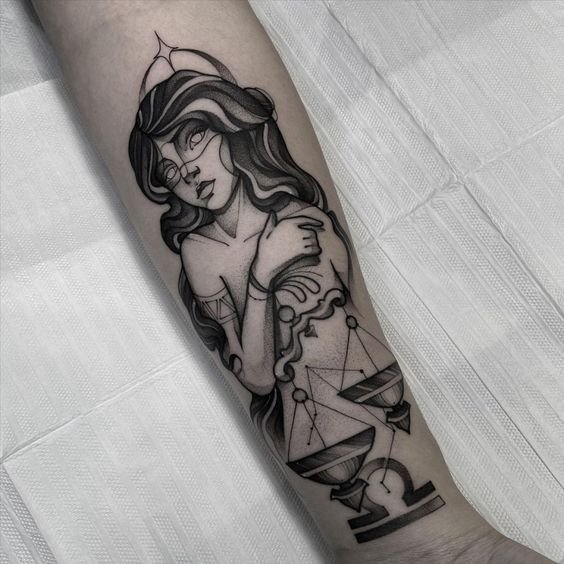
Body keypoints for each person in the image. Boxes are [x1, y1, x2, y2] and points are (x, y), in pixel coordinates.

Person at [32, 1, 553, 562]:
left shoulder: (300, 217)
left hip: (351, 413)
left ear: (227, 126)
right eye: (170, 171)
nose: (189, 175)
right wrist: (263, 276)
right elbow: (257, 374)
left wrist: (430, 542)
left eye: (193, 141)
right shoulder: (201, 255)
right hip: (308, 423)